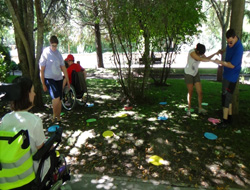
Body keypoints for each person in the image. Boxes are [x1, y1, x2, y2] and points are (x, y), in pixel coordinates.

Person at [0, 77, 50, 185]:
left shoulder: (5, 119)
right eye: (32, 91)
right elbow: (41, 148)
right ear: (26, 95)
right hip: (27, 175)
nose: (35, 94)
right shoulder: (34, 121)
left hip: (6, 177)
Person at [214, 29, 243, 127]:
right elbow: (227, 47)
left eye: (231, 42)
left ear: (235, 37)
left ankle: (225, 121)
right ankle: (229, 117)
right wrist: (223, 50)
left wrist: (220, 62)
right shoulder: (231, 43)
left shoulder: (239, 48)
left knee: (225, 97)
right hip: (226, 74)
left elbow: (232, 65)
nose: (229, 44)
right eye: (228, 42)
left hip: (231, 76)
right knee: (228, 97)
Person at [39, 35, 70, 122]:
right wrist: (43, 83)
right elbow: (42, 70)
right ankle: (54, 116)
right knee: (55, 97)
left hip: (59, 79)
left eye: (56, 46)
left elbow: (63, 67)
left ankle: (58, 117)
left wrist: (67, 80)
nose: (54, 47)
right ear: (50, 44)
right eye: (53, 45)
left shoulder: (58, 53)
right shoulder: (45, 53)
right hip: (49, 78)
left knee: (59, 99)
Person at [184, 43, 218, 116]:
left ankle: (200, 108)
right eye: (201, 53)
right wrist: (212, 61)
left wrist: (215, 54)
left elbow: (206, 58)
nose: (202, 55)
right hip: (188, 73)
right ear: (198, 51)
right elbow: (200, 59)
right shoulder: (192, 52)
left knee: (200, 92)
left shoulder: (200, 53)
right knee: (190, 91)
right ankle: (189, 109)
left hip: (195, 73)